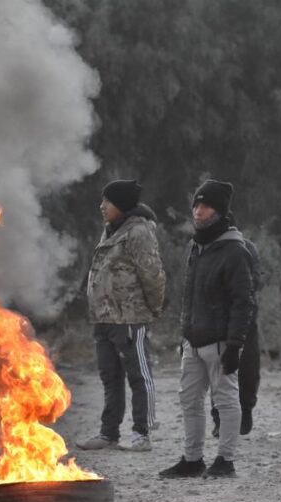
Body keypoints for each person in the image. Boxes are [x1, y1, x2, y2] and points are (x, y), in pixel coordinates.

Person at [159, 180, 254, 479]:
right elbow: (190, 295)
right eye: (196, 205)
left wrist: (235, 344)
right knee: (189, 400)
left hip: (220, 341)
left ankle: (225, 460)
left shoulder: (235, 250)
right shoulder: (196, 246)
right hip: (193, 339)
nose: (199, 212)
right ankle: (193, 460)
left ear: (220, 212)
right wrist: (185, 333)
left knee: (225, 400)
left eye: (206, 206)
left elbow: (243, 301)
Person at [76, 179, 166, 452]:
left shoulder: (139, 232)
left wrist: (153, 309)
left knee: (139, 376)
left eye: (108, 201)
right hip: (104, 319)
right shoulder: (111, 230)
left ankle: (141, 434)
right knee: (110, 377)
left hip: (129, 318)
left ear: (122, 205)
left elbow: (152, 274)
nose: (101, 206)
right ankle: (109, 434)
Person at [211, 212, 263, 437]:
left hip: (244, 319)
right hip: (215, 320)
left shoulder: (246, 248)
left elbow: (256, 282)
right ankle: (219, 418)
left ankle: (246, 409)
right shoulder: (206, 250)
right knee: (218, 371)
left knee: (248, 369)